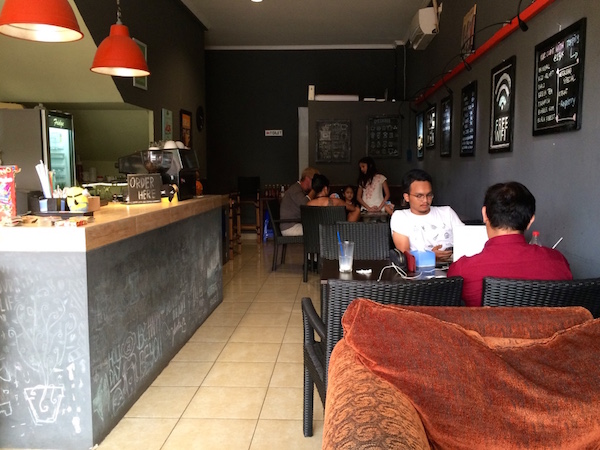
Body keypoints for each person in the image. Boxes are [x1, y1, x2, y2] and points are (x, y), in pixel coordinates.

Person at [447, 181, 572, 307]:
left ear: (484, 214)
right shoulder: (558, 261)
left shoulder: (462, 270)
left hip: (486, 321)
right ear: (531, 220)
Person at [390, 169, 464, 262]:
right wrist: (430, 256)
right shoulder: (401, 217)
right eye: (419, 196)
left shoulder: (447, 212)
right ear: (407, 197)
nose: (425, 200)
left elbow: (466, 239)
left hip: (456, 265)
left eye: (429, 195)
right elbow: (405, 256)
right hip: (422, 269)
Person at [280, 167, 319, 236]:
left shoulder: (300, 190)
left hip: (295, 224)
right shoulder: (295, 190)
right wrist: (314, 190)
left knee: (318, 228)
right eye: (315, 181)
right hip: (290, 227)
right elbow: (305, 204)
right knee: (318, 230)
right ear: (307, 179)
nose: (316, 183)